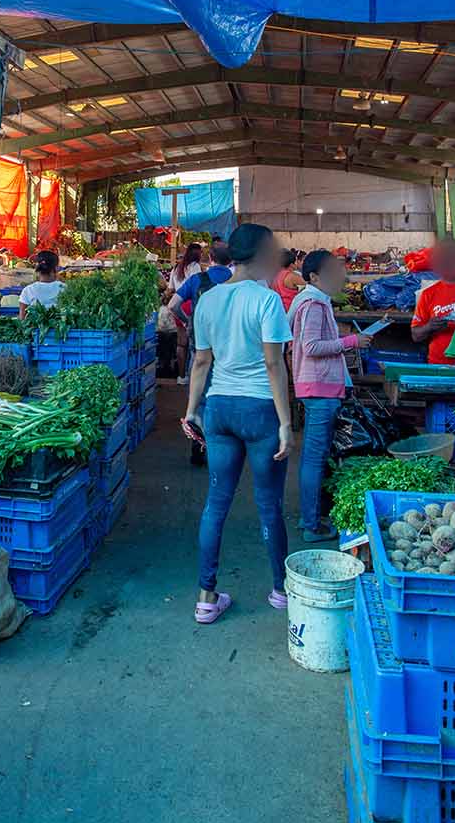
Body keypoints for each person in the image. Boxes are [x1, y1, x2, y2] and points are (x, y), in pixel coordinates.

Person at [183, 224, 293, 623]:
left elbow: (201, 361)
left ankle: (206, 598)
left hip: (220, 408)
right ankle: (280, 589)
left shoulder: (209, 299)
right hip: (260, 410)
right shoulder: (267, 301)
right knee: (269, 505)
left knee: (216, 503)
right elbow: (273, 363)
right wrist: (285, 422)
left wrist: (191, 410)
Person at [288, 250, 370, 543]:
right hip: (318, 388)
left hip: (319, 387)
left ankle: (309, 518)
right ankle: (311, 525)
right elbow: (311, 346)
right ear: (314, 277)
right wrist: (351, 341)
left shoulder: (315, 301)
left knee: (316, 455)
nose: (340, 276)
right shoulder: (312, 304)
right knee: (314, 456)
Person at [167, 241, 234, 390]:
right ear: (230, 260)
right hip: (230, 341)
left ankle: (195, 406)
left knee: (198, 368)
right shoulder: (238, 280)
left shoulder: (198, 279)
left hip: (200, 336)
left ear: (210, 258)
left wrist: (187, 320)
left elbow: (172, 305)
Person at [19, 250, 64, 317]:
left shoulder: (28, 290)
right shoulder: (65, 288)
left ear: (37, 268)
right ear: (56, 268)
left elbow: (22, 318)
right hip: (60, 327)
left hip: (34, 327)